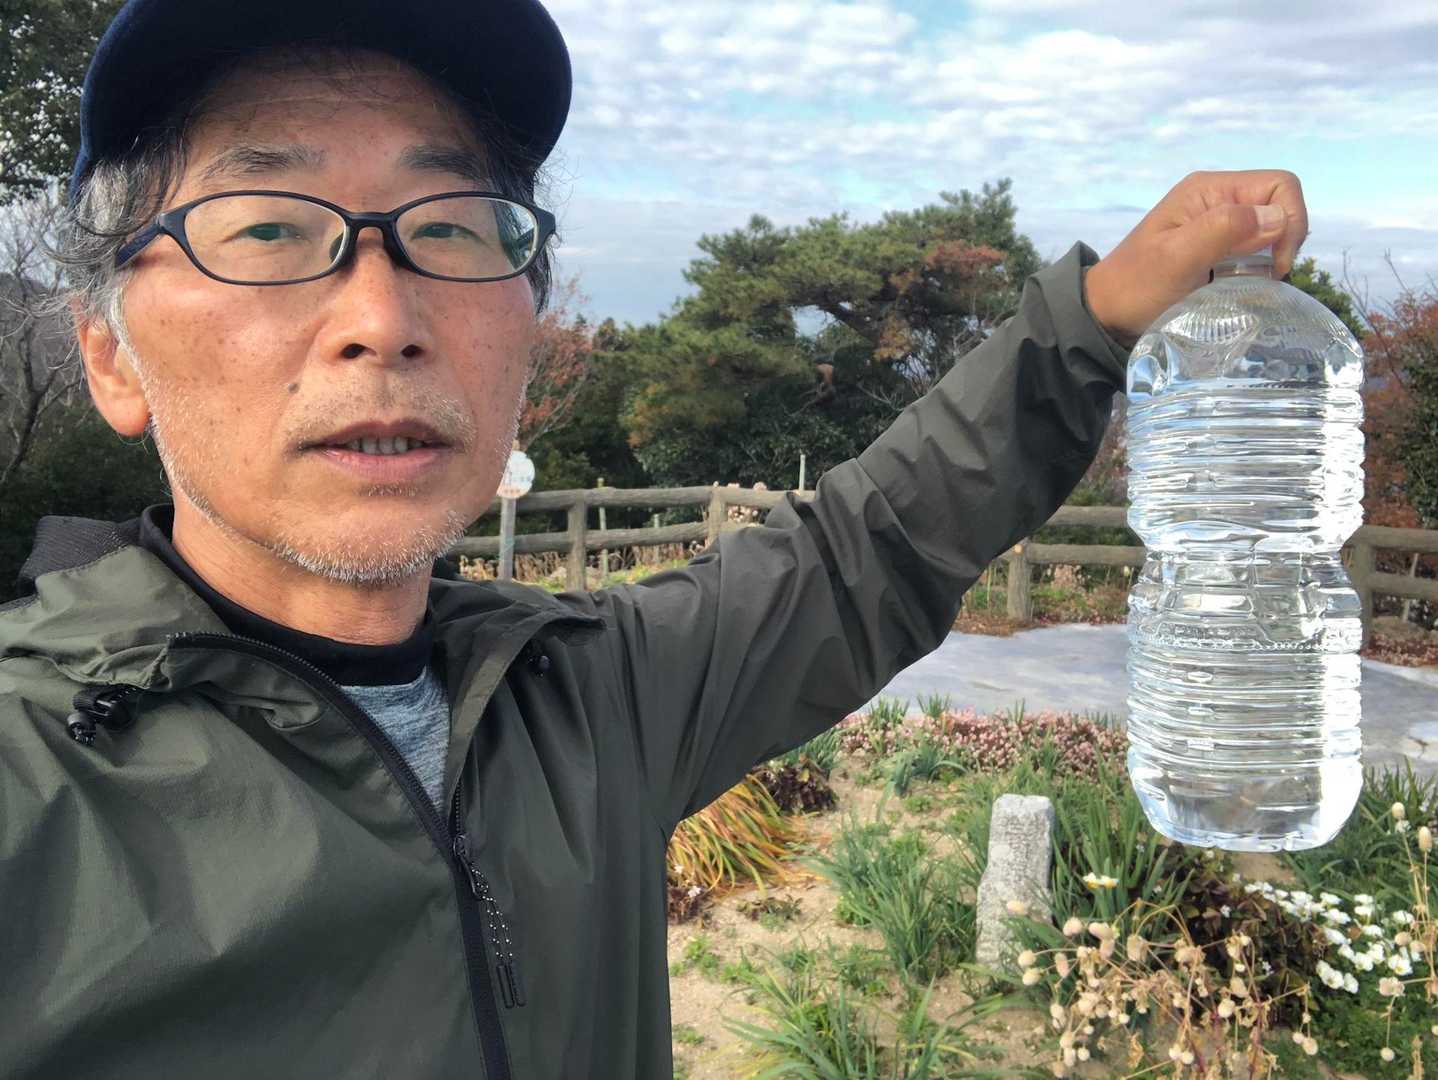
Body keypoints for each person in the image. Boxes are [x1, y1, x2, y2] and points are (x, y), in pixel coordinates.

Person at [0, 1, 1310, 1076]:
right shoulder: (36, 783)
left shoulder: (590, 694)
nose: (381, 319)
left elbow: (870, 547)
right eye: (269, 230)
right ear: (110, 354)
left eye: (448, 228)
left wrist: (1097, 314)